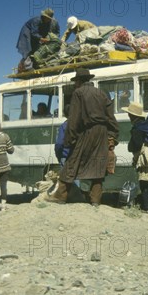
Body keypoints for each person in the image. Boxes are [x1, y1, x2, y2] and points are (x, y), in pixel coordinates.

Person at [50, 69, 119, 205]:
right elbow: (111, 118)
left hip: (86, 132)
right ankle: (95, 201)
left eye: (76, 82)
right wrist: (112, 136)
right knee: (98, 166)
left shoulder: (78, 93)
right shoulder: (102, 93)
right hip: (102, 133)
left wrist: (70, 139)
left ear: (79, 81)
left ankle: (60, 197)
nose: (75, 84)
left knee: (71, 163)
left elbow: (74, 118)